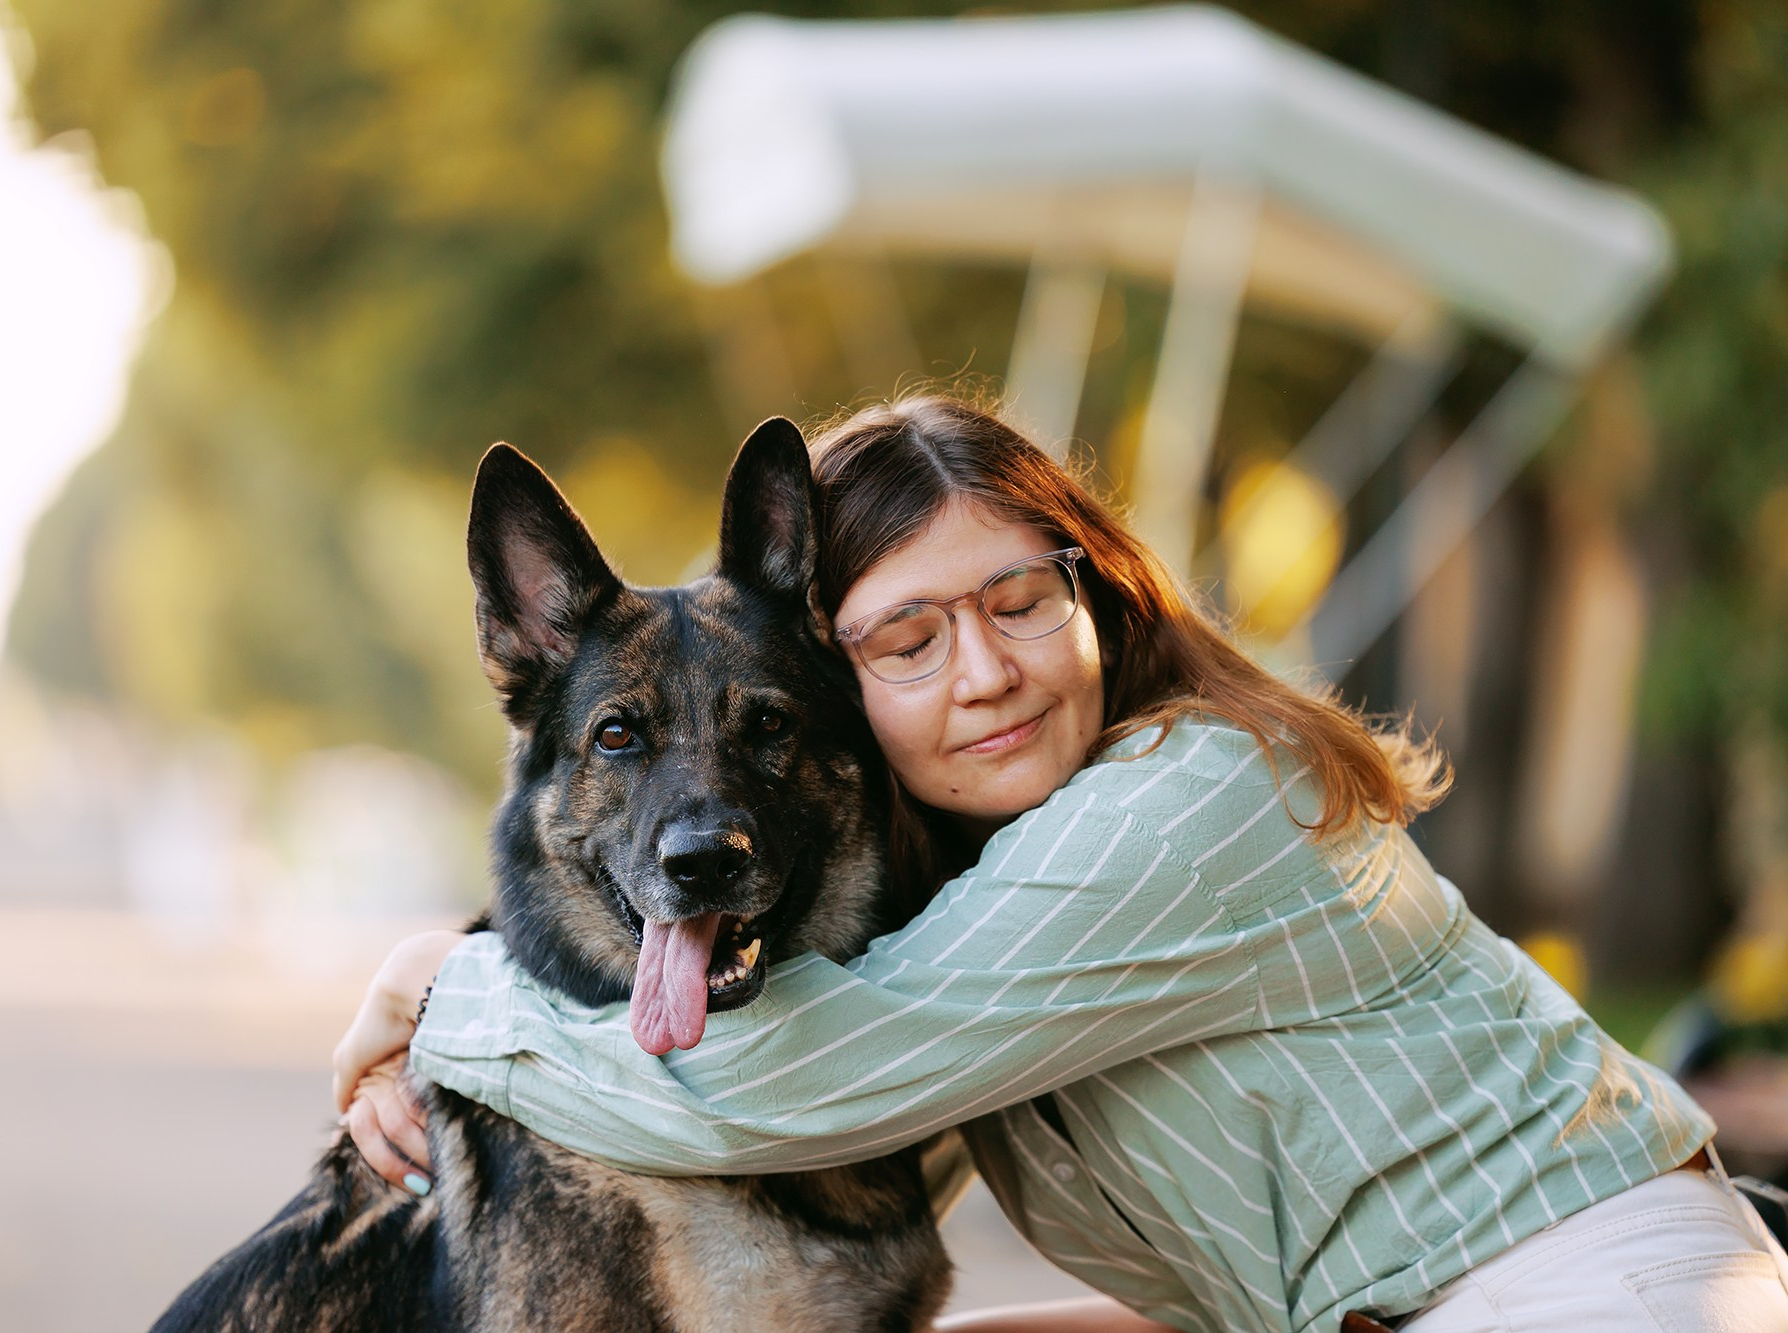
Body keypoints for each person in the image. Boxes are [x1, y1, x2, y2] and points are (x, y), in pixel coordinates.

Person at [333, 395, 1788, 1332]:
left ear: (1097, 590)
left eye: (1020, 598)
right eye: (908, 638)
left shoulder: (1183, 802)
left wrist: (445, 993)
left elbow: (793, 1090)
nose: (986, 672)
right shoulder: (981, 908)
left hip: (1610, 1298)